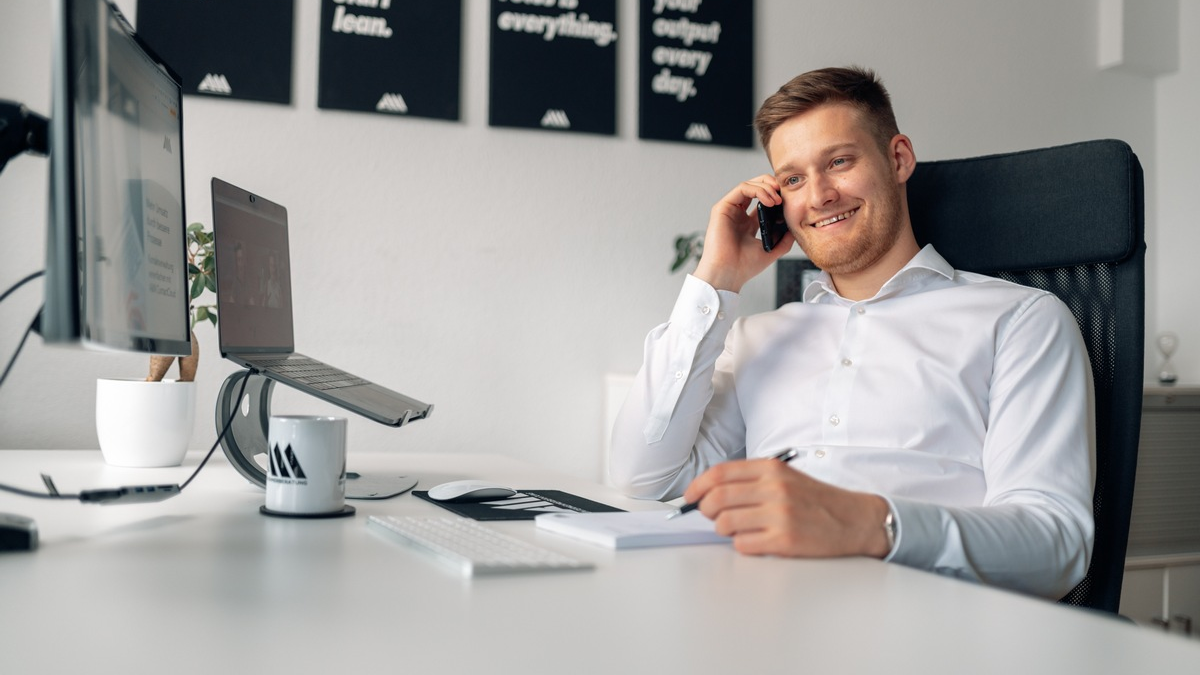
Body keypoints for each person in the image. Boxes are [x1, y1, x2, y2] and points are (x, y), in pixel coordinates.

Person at [608, 66, 1095, 599]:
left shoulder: (1020, 321)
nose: (818, 196)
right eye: (792, 179)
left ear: (898, 158)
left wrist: (866, 524)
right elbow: (643, 476)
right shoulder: (758, 339)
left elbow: (1056, 545)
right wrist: (717, 278)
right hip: (757, 609)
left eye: (838, 162)